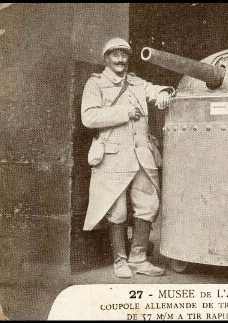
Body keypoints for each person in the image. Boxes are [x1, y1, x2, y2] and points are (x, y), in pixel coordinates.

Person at [81, 37, 175, 278]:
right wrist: (123, 113)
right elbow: (89, 117)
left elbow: (153, 90)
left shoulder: (135, 83)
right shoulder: (96, 84)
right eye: (115, 55)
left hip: (142, 156)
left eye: (124, 54)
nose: (120, 59)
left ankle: (138, 259)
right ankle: (120, 261)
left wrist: (163, 92)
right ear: (106, 58)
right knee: (117, 210)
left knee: (147, 205)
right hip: (112, 158)